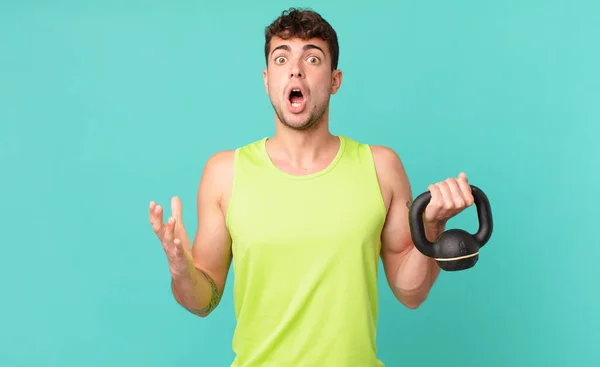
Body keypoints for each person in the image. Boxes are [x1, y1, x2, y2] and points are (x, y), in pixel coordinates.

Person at [149, 7, 475, 367]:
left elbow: (410, 293)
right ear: (267, 78)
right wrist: (182, 273)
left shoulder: (381, 167)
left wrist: (431, 228)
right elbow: (203, 300)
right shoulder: (225, 173)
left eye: (313, 58)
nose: (295, 68)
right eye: (281, 57)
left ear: (335, 80)